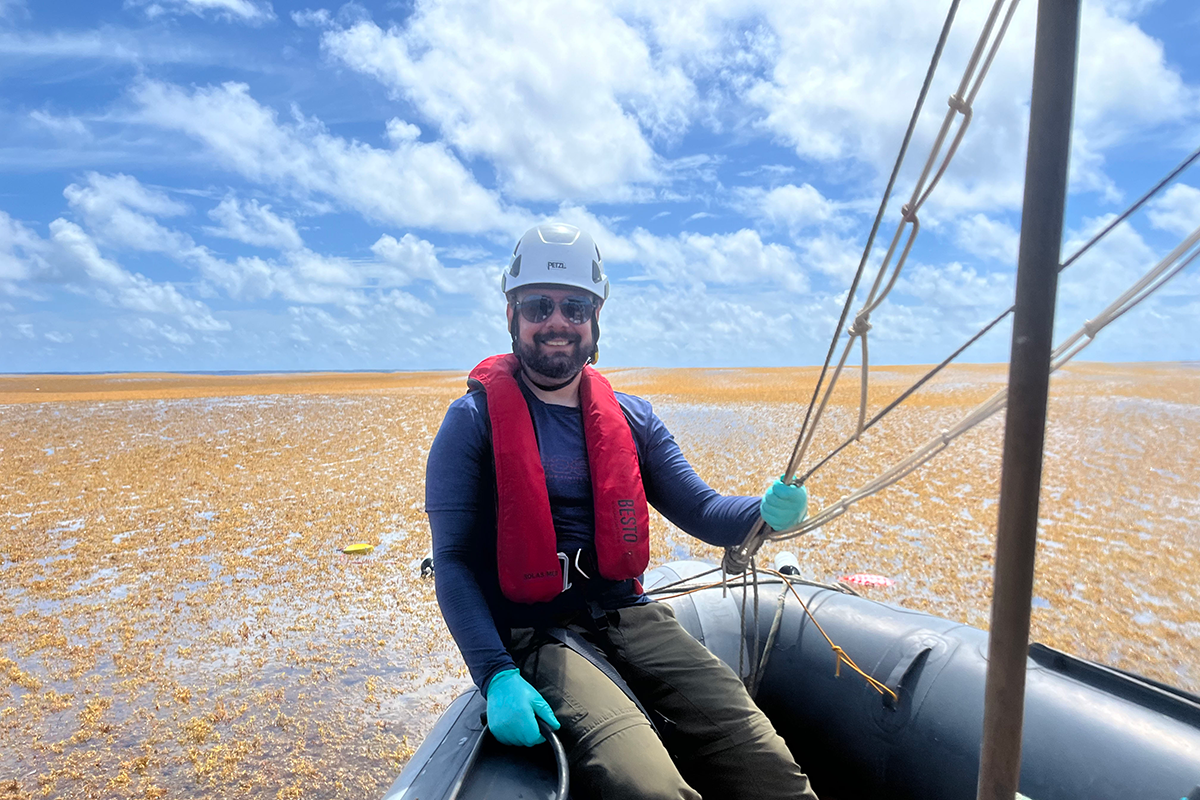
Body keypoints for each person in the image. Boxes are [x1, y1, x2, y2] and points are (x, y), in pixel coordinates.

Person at [425, 222, 818, 799]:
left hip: (628, 614)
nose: (557, 321)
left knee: (767, 765)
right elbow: (453, 561)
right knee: (647, 787)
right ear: (512, 315)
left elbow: (704, 510)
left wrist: (766, 509)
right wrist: (495, 673)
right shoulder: (472, 423)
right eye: (540, 305)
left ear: (595, 318)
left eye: (575, 307)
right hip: (531, 632)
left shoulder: (633, 418)